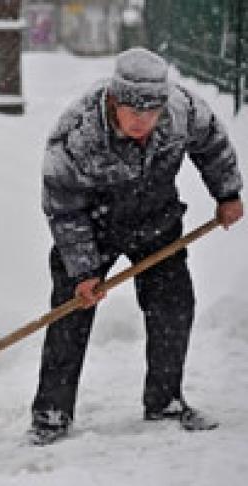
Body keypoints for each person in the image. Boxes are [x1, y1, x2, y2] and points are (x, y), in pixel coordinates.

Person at [29, 47, 244, 446]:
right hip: (91, 227)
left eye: (152, 111)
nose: (143, 121)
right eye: (134, 111)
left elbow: (212, 143)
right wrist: (83, 271)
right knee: (70, 314)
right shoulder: (77, 133)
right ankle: (51, 412)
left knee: (173, 305)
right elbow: (63, 208)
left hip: (156, 222)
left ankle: (164, 399)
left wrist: (227, 193)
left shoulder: (181, 110)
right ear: (114, 100)